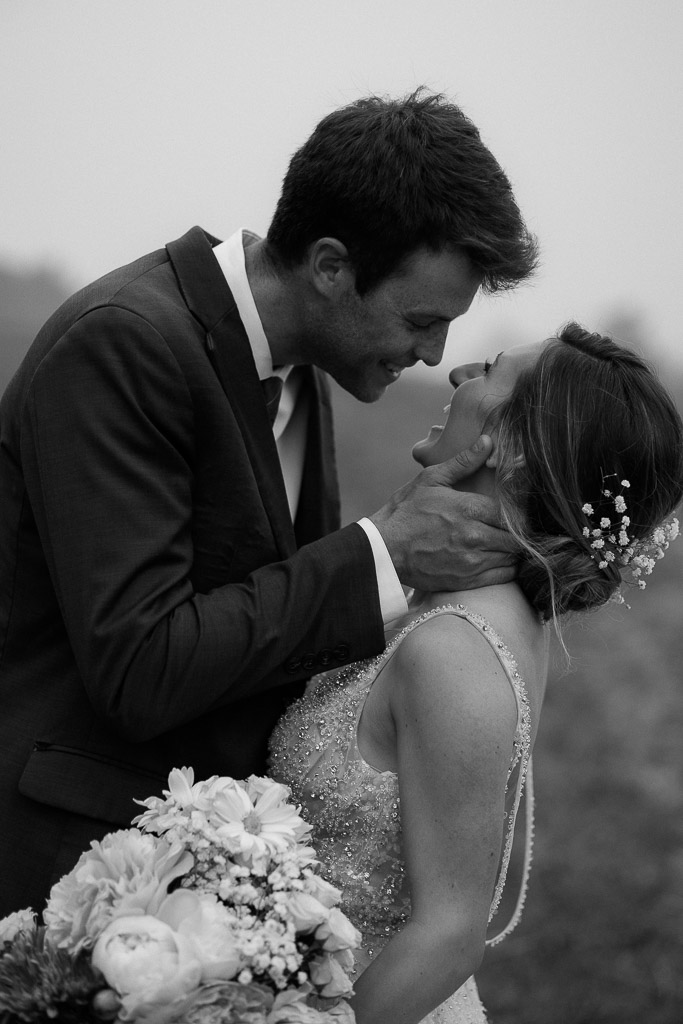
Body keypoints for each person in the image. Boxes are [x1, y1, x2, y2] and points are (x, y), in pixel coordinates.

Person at [0, 89, 538, 916]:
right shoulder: (125, 343)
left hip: (192, 890)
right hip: (57, 879)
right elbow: (141, 667)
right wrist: (381, 556)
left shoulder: (303, 367)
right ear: (329, 267)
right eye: (420, 319)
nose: (433, 353)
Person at [269, 323, 683, 1024]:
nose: (458, 371)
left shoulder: (454, 650)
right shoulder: (494, 610)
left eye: (490, 369)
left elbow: (449, 935)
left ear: (517, 453)